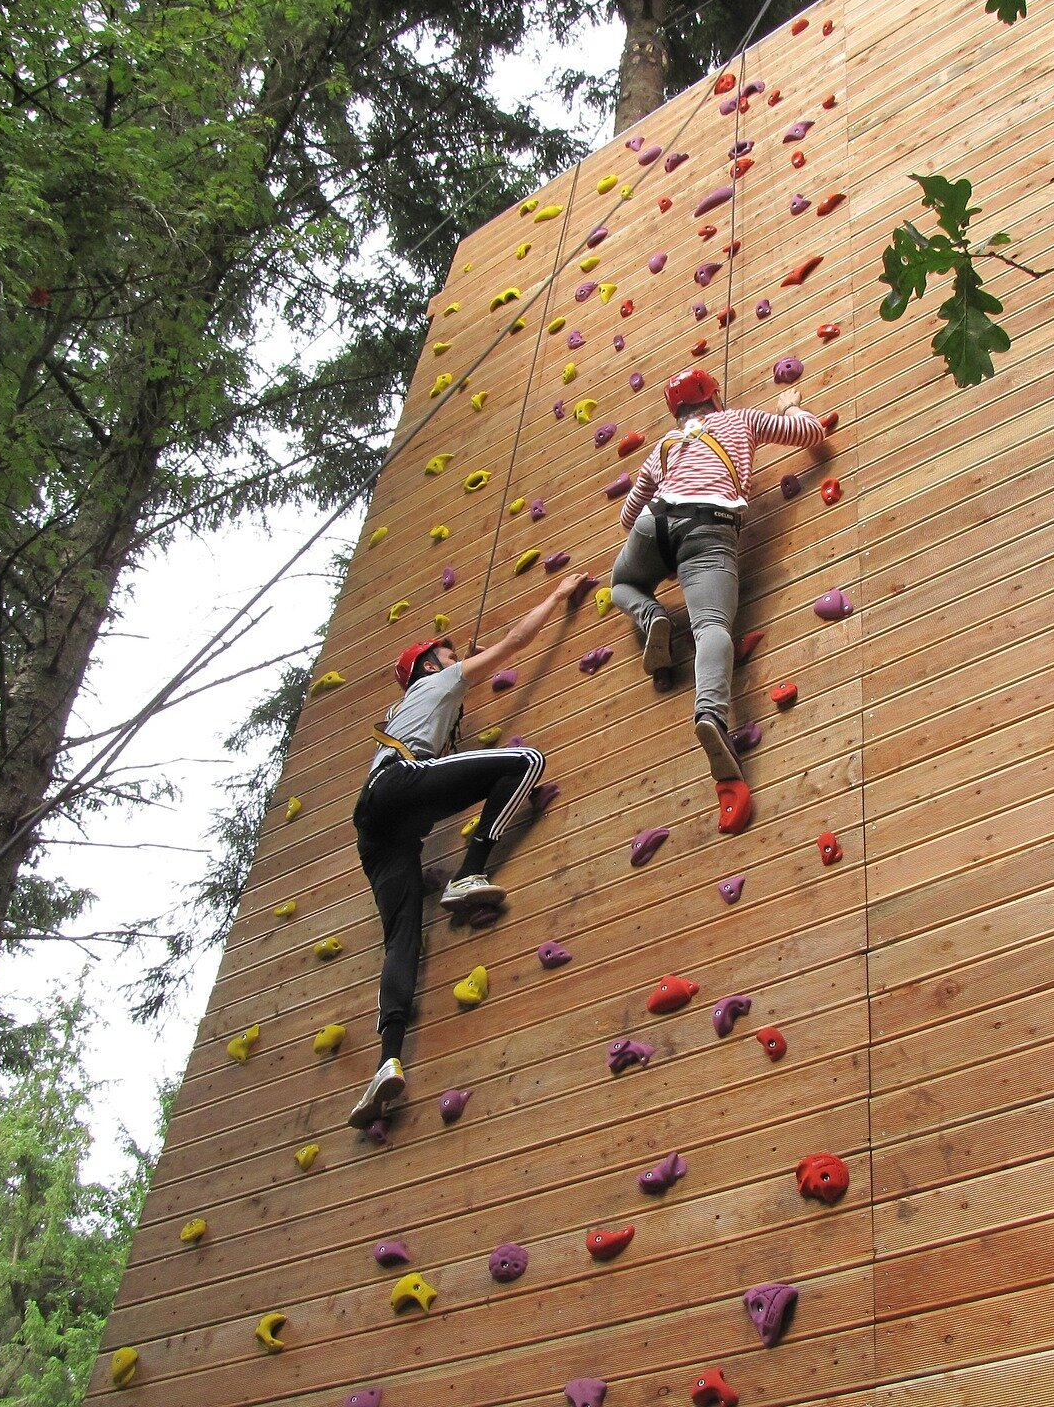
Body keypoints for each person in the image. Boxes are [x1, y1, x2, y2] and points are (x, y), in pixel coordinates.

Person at [347, 571, 583, 1128]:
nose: (456, 658)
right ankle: (468, 873)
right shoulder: (436, 682)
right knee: (525, 763)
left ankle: (387, 1061)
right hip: (402, 784)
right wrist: (555, 595)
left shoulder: (421, 704)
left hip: (376, 825)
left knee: (401, 936)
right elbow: (513, 645)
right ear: (431, 665)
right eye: (448, 654)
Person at [609, 367, 827, 827]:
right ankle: (711, 715)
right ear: (715, 397)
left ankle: (652, 617)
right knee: (711, 627)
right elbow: (810, 433)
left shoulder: (664, 447)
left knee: (622, 586)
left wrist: (662, 550)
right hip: (708, 527)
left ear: (677, 411)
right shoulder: (741, 420)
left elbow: (628, 516)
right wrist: (788, 406)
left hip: (654, 522)